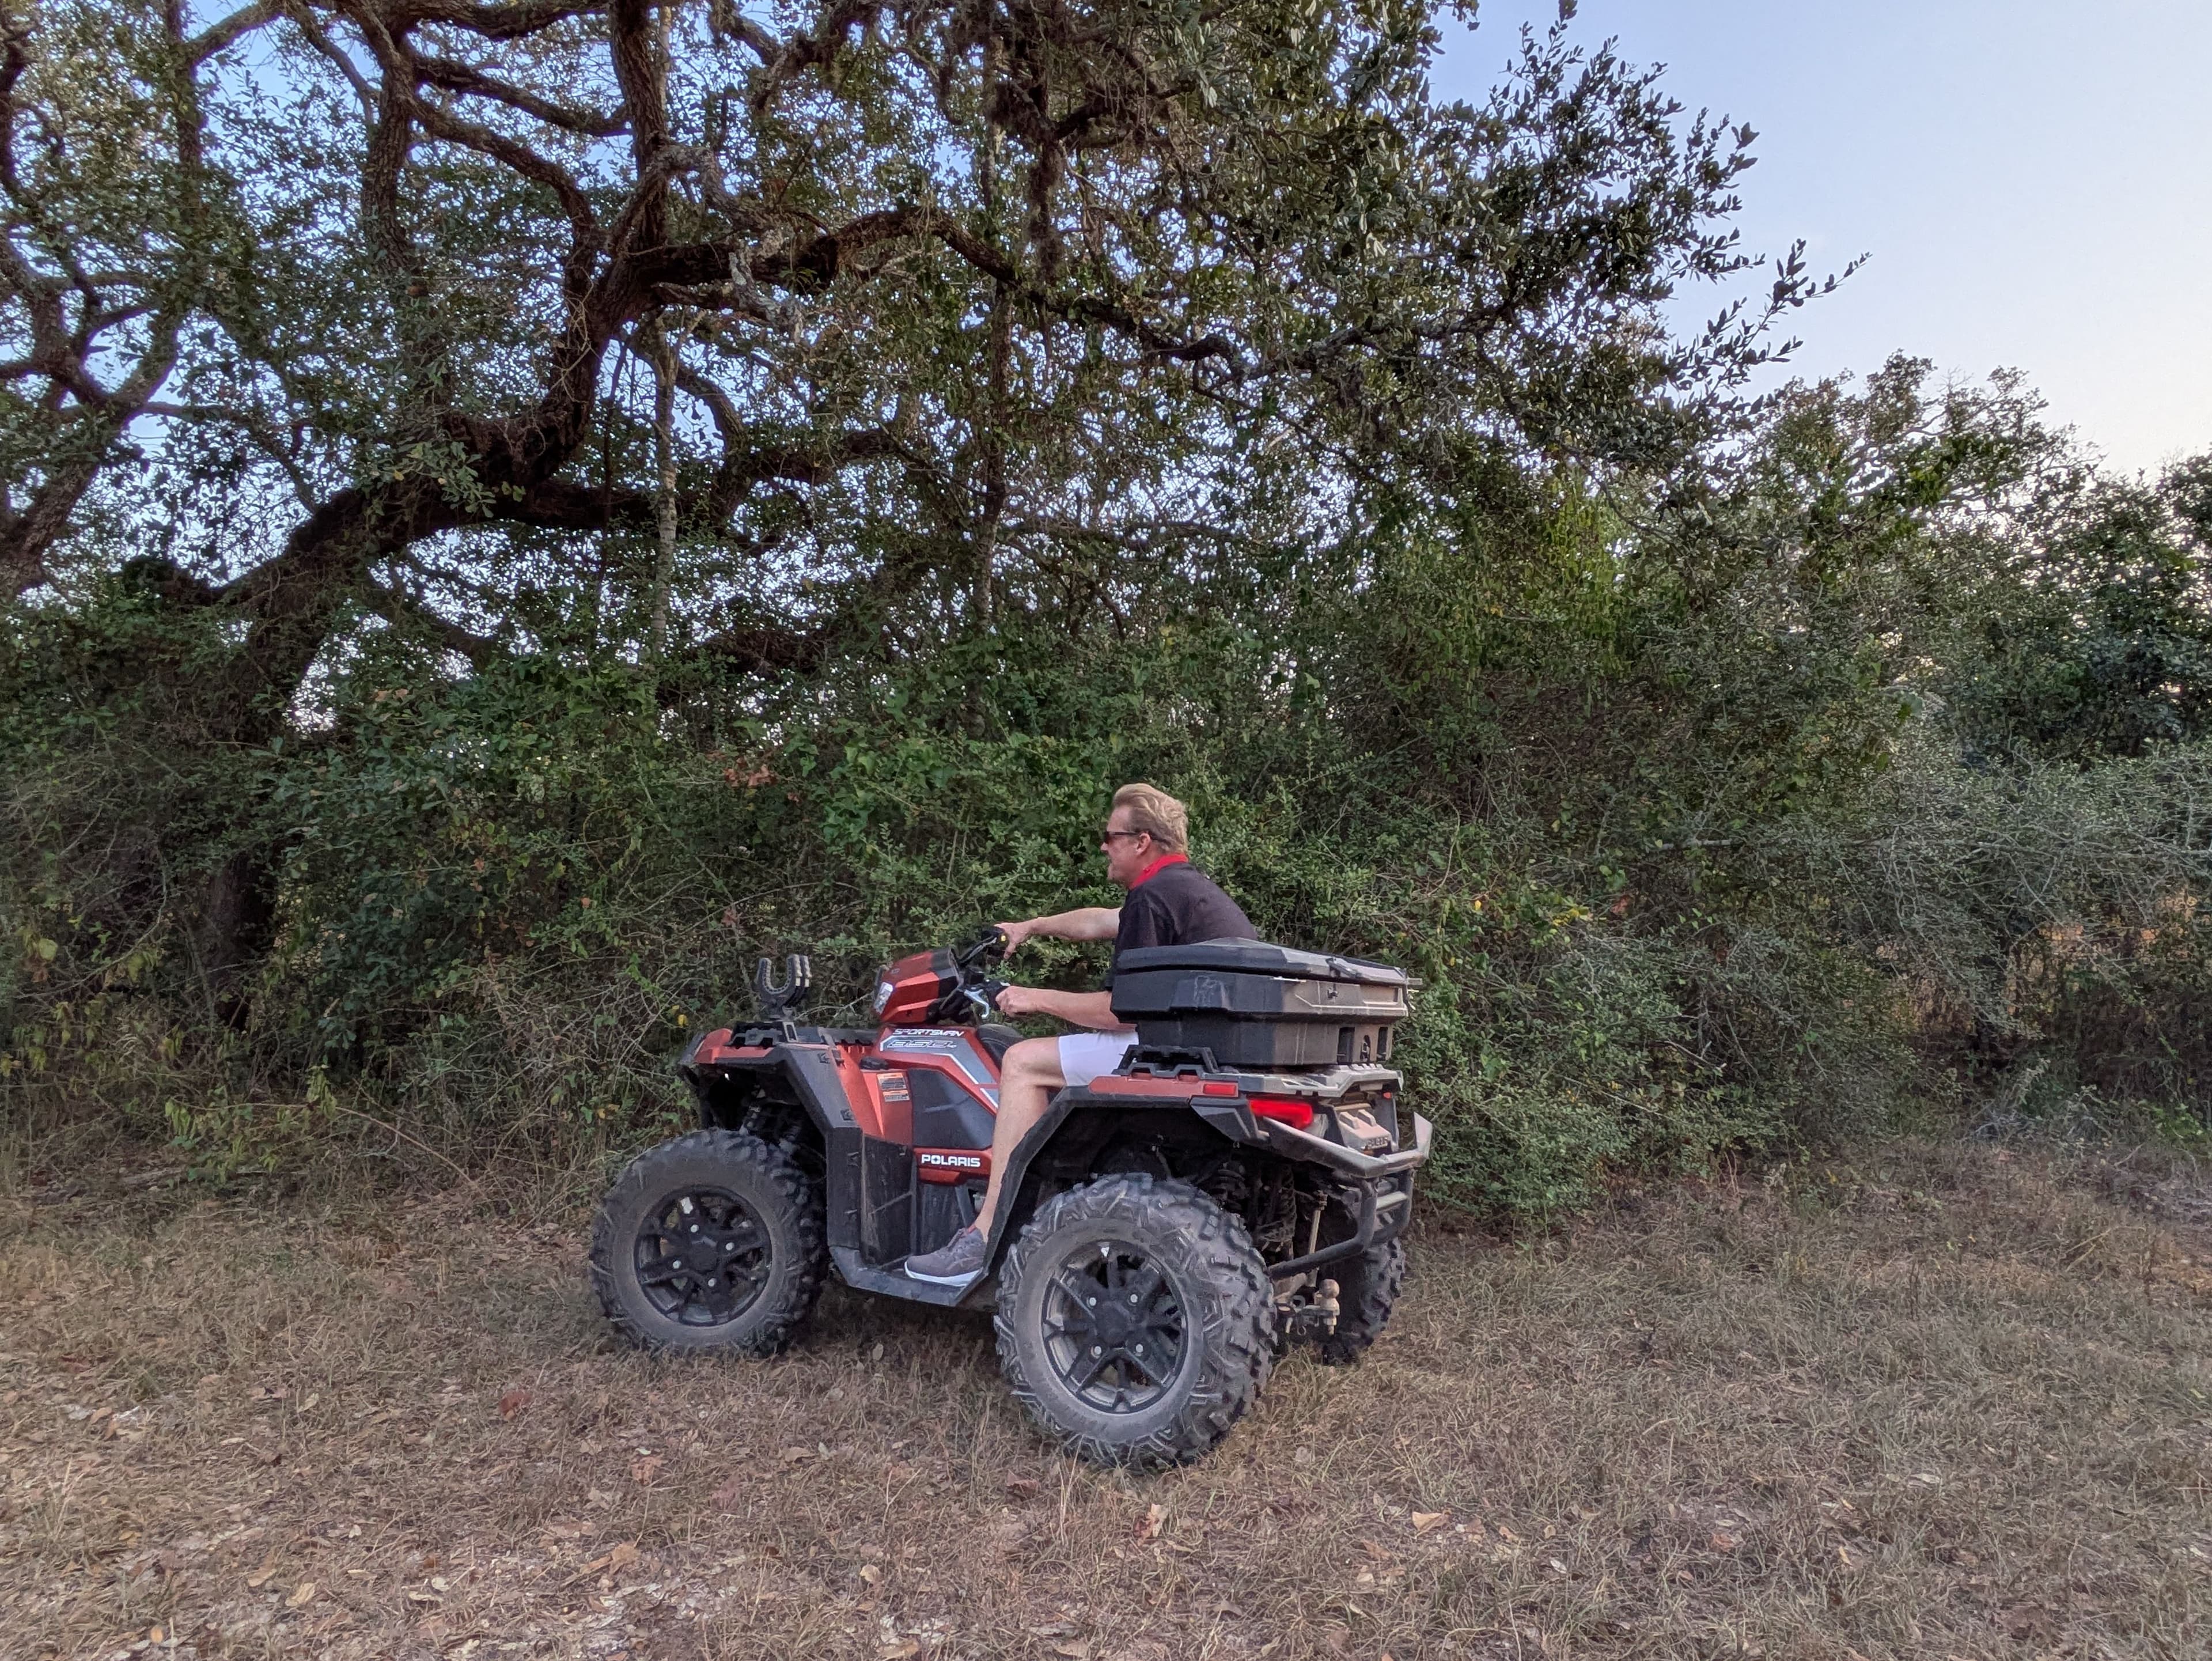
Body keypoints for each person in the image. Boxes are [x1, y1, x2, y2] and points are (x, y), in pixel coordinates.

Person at [903, 782, 1256, 1286]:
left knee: (1023, 1061)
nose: (1103, 845)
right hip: (1212, 1046)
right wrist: (1031, 925)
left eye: (1110, 836)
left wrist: (1033, 996)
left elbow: (1118, 1014)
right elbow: (1102, 921)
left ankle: (984, 1234)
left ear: (1141, 842)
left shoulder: (1152, 898)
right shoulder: (1182, 890)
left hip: (1161, 1049)